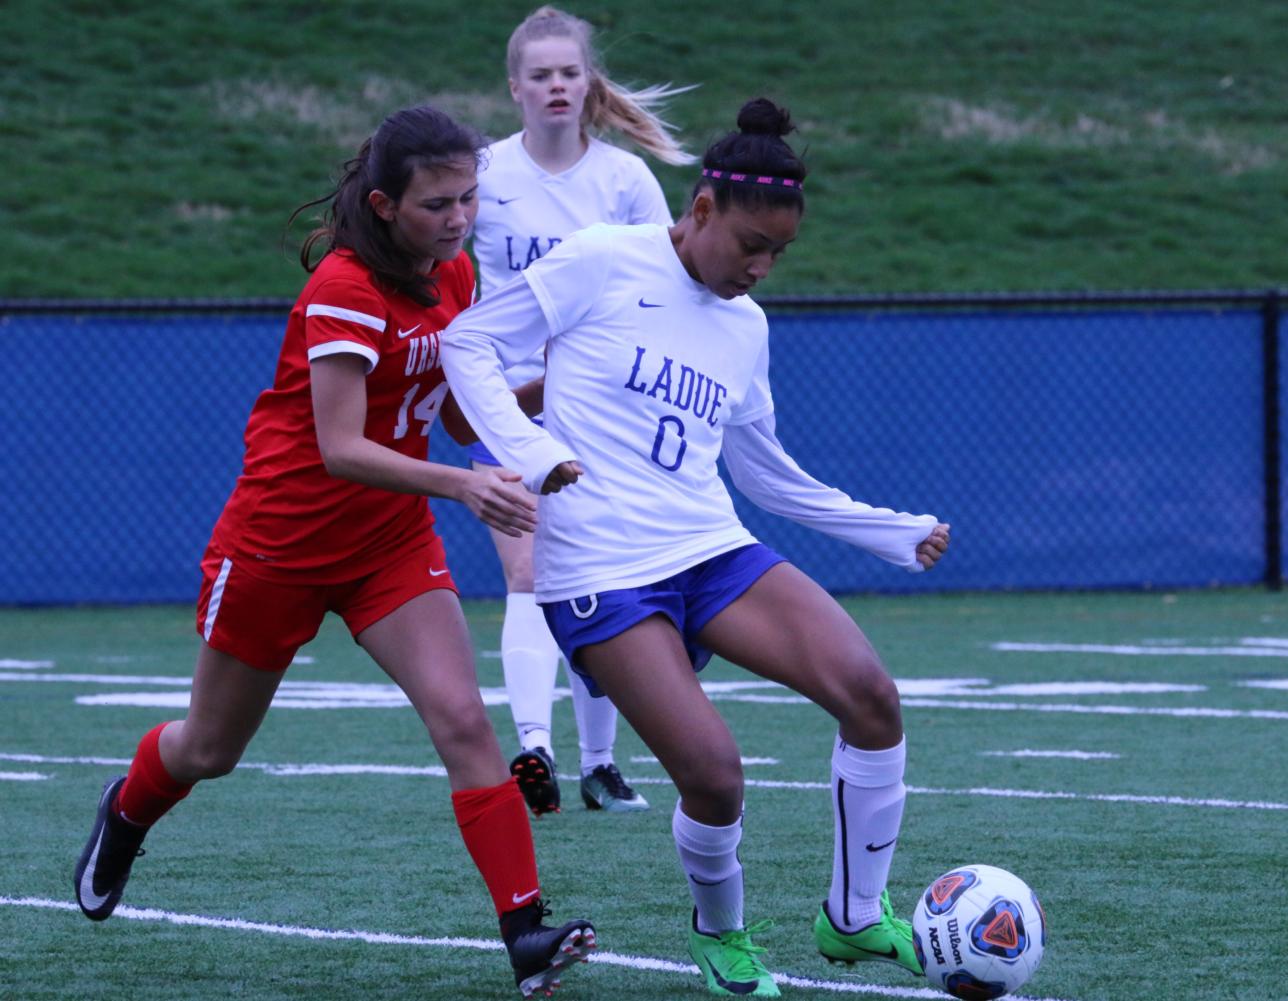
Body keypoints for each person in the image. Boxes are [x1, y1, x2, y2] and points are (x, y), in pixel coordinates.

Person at [72, 106, 595, 1000]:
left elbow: (460, 410)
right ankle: (125, 811)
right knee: (208, 749)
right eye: (438, 203)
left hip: (388, 541)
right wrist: (466, 486)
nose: (460, 218)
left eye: (470, 197)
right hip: (280, 545)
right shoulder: (346, 287)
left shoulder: (457, 273)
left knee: (465, 721)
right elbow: (340, 448)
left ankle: (525, 931)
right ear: (387, 203)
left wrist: (560, 384)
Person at [442, 98, 951, 998]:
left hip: (709, 549)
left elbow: (766, 476)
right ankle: (721, 934)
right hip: (600, 573)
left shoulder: (744, 327)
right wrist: (533, 455)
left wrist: (888, 530)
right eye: (750, 243)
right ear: (702, 208)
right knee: (715, 777)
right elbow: (469, 342)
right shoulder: (604, 260)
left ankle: (853, 916)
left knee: (871, 695)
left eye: (778, 254)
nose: (759, 267)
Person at [467, 5, 696, 818]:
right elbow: (445, 270)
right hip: (508, 404)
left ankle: (600, 763)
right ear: (515, 88)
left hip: (603, 410)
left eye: (569, 72)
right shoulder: (484, 176)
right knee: (525, 573)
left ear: (587, 82)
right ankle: (535, 749)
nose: (557, 85)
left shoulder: (625, 181)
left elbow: (663, 285)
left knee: (598, 576)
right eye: (541, 75)